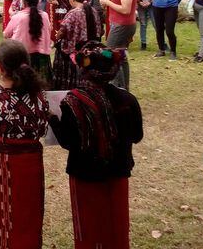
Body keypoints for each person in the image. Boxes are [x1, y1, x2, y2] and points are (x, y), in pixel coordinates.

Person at [48, 42, 143, 249]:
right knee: (115, 224)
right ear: (112, 71)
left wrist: (53, 120)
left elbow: (68, 141)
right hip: (118, 170)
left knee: (89, 226)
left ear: (84, 70)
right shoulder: (128, 100)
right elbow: (137, 136)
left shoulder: (73, 102)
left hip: (85, 174)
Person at [0, 40, 49, 249]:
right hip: (28, 165)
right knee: (26, 211)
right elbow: (42, 129)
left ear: (0, 66)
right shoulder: (39, 96)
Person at [99, 0, 138, 90]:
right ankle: (124, 88)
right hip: (123, 25)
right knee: (121, 56)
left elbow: (126, 9)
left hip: (121, 26)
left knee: (109, 55)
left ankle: (117, 87)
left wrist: (107, 2)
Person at [52, 0, 101, 90]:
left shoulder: (73, 13)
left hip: (72, 52)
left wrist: (57, 36)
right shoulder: (93, 10)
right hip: (89, 48)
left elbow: (63, 30)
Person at [4, 0, 53, 85]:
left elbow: (6, 34)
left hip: (22, 56)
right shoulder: (45, 16)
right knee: (41, 85)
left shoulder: (17, 17)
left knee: (22, 84)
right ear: (38, 1)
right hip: (42, 56)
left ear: (23, 2)